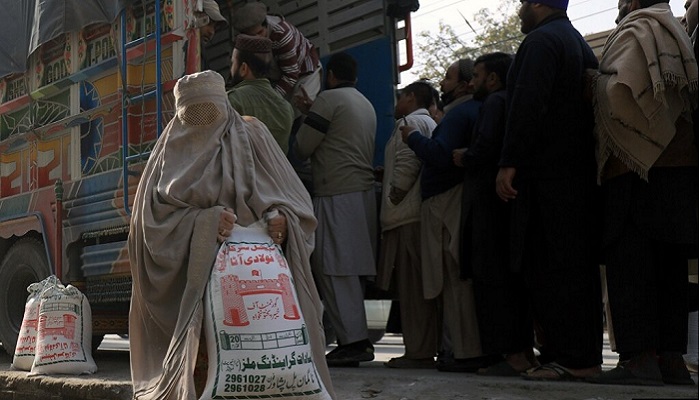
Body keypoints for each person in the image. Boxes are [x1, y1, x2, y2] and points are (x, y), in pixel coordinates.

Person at [128, 71, 335, 399]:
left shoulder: (253, 136)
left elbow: (296, 204)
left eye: (211, 111)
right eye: (192, 114)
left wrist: (281, 221)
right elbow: (147, 230)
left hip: (256, 286)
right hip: (195, 290)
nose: (202, 123)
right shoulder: (166, 152)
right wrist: (204, 223)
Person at [589, 0, 698, 386]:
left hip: (637, 173)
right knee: (669, 272)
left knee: (631, 268)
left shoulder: (638, 27)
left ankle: (638, 361)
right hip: (677, 175)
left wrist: (592, 81)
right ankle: (671, 360)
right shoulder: (675, 30)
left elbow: (621, 90)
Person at [495, 0, 603, 381]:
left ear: (539, 4)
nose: (521, 8)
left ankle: (572, 359)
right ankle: (580, 356)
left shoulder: (541, 42)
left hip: (547, 176)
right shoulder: (575, 40)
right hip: (577, 174)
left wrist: (510, 161)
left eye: (525, 2)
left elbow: (528, 103)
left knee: (550, 268)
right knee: (575, 267)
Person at [400, 59, 492, 373]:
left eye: (449, 78)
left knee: (453, 276)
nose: (443, 83)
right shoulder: (468, 111)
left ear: (467, 85)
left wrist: (412, 138)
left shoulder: (460, 113)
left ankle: (463, 352)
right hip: (453, 198)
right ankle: (459, 349)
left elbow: (440, 155)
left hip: (447, 201)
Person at [451, 52, 537, 377]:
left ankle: (511, 355)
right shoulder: (511, 101)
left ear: (493, 78)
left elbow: (485, 146)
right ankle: (523, 352)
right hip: (506, 206)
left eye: (476, 75)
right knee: (511, 282)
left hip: (488, 206)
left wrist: (464, 156)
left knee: (492, 282)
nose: (471, 83)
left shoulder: (493, 104)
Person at [293, 52, 378, 367]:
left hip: (336, 194)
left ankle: (354, 342)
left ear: (330, 76)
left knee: (334, 268)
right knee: (350, 270)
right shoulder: (363, 102)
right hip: (362, 193)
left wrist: (307, 114)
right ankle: (354, 339)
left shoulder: (328, 100)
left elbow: (302, 147)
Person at [376, 81, 439, 369]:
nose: (396, 102)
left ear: (412, 97)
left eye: (401, 96)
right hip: (415, 215)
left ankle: (418, 352)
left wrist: (394, 193)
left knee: (412, 289)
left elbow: (407, 162)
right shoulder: (426, 121)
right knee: (418, 287)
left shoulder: (410, 121)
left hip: (406, 217)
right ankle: (421, 348)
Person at [231, 2, 322, 112]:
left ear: (266, 25)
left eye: (260, 33)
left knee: (298, 110)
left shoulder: (281, 34)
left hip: (303, 74)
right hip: (277, 77)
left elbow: (290, 75)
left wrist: (269, 101)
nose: (258, 39)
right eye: (252, 37)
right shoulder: (243, 43)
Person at [227, 34, 294, 153]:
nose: (231, 68)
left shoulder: (232, 100)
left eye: (233, 63)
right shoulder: (286, 108)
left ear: (243, 69)